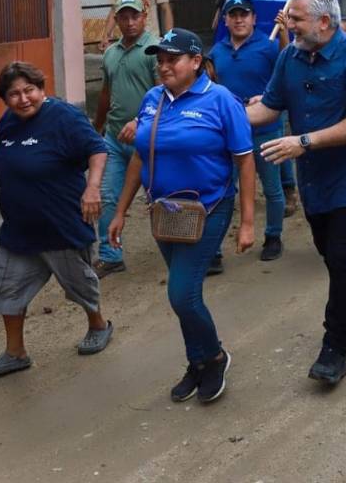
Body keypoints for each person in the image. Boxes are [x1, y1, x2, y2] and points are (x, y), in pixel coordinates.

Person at [246, 0, 346, 385]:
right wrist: (219, 113)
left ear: (325, 22)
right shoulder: (290, 56)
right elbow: (269, 109)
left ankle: (334, 347)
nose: (288, 24)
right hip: (314, 181)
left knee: (342, 257)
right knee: (330, 253)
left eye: (295, 18)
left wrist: (303, 142)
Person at [108, 28, 255, 403]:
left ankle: (216, 356)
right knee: (183, 295)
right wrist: (120, 211)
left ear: (196, 62)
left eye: (172, 59)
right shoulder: (153, 99)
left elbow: (244, 160)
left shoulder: (221, 100)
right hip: (164, 211)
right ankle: (198, 362)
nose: (164, 66)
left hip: (208, 209)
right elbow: (140, 156)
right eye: (160, 60)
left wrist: (248, 222)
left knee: (182, 294)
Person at [0, 62, 113, 376]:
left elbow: (97, 150)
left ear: (41, 88)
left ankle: (98, 325)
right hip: (19, 227)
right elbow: (7, 153)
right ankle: (15, 353)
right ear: (5, 98)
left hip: (60, 222)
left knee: (79, 284)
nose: (23, 98)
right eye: (14, 94)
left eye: (29, 90)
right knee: (7, 289)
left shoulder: (64, 117)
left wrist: (93, 187)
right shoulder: (9, 121)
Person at [208, 0, 290, 262]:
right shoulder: (216, 52)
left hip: (265, 128)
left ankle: (273, 236)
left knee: (272, 188)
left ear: (254, 18)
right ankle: (214, 250)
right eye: (233, 15)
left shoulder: (269, 44)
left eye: (244, 14)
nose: (239, 19)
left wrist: (285, 33)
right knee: (223, 191)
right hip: (229, 134)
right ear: (226, 20)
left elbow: (287, 75)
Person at [92, 0, 158, 278]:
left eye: (135, 16)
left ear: (144, 17)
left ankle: (184, 246)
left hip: (149, 138)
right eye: (124, 17)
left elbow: (166, 95)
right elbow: (106, 94)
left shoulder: (155, 49)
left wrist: (140, 121)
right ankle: (110, 254)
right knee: (108, 195)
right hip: (114, 137)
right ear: (116, 20)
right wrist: (96, 128)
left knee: (161, 197)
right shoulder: (111, 53)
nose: (130, 22)